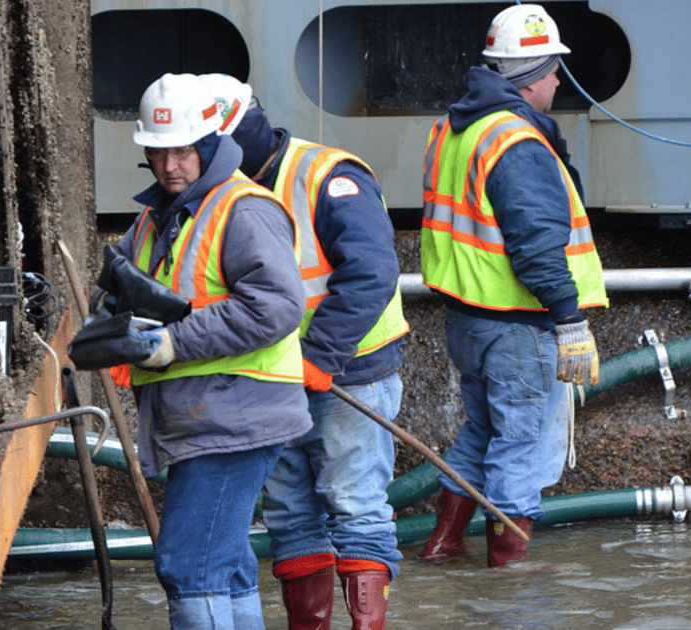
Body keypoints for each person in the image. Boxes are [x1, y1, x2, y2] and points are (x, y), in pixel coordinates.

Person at [199, 73, 409, 630]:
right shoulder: (218, 190)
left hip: (347, 373)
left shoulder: (327, 176)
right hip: (269, 380)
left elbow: (372, 273)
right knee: (290, 514)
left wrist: (320, 356)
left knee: (354, 502)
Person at [108, 73, 313, 630]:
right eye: (159, 153)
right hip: (205, 416)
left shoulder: (244, 210)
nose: (171, 165)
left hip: (236, 414)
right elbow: (121, 293)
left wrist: (174, 342)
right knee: (225, 565)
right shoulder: (156, 218)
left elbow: (274, 307)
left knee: (188, 565)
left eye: (183, 151)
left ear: (209, 144)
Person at [417, 3, 608, 568]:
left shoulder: (459, 128)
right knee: (520, 450)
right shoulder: (517, 143)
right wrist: (569, 318)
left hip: (469, 320)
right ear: (532, 77)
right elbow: (536, 246)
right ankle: (510, 583)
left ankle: (442, 547)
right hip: (517, 325)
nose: (557, 80)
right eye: (552, 70)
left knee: (483, 433)